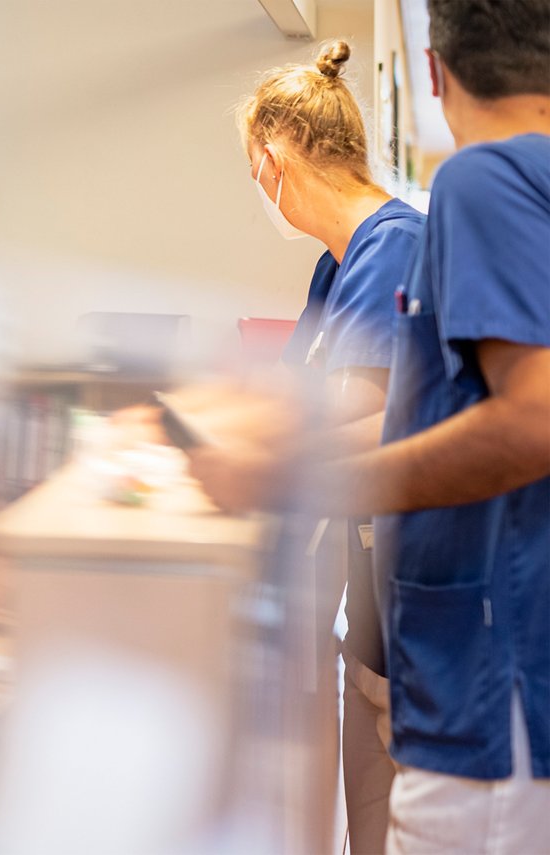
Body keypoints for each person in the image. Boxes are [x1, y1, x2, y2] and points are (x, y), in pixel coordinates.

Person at [196, 2, 550, 850]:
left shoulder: (484, 181)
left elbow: (530, 419)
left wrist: (293, 474)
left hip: (488, 676)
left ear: (434, 71)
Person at [235, 39, 426, 854]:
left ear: (274, 156)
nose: (258, 188)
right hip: (356, 567)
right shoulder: (336, 265)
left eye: (252, 168)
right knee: (356, 801)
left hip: (415, 573)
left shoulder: (396, 244)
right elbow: (293, 398)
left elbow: (360, 414)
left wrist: (245, 463)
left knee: (392, 796)